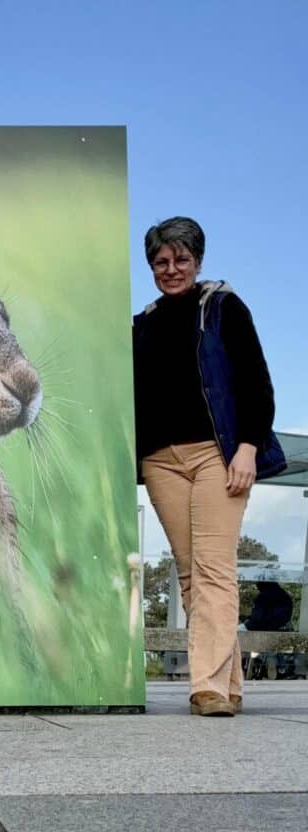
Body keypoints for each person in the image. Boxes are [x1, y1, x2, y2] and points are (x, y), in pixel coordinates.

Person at [133, 216, 286, 717]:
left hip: (216, 454)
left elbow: (257, 384)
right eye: (161, 261)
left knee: (214, 568)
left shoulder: (223, 307)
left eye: (181, 259)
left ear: (198, 261)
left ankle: (207, 688)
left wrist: (247, 448)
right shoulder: (142, 324)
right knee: (189, 574)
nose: (171, 269)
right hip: (161, 461)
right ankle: (228, 686)